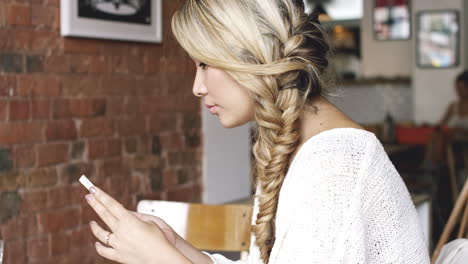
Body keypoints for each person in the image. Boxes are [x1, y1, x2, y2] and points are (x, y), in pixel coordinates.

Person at [83, 0, 430, 263]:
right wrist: (176, 246)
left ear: (252, 56)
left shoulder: (334, 167)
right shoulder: (291, 144)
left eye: (205, 64)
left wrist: (162, 259)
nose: (197, 87)